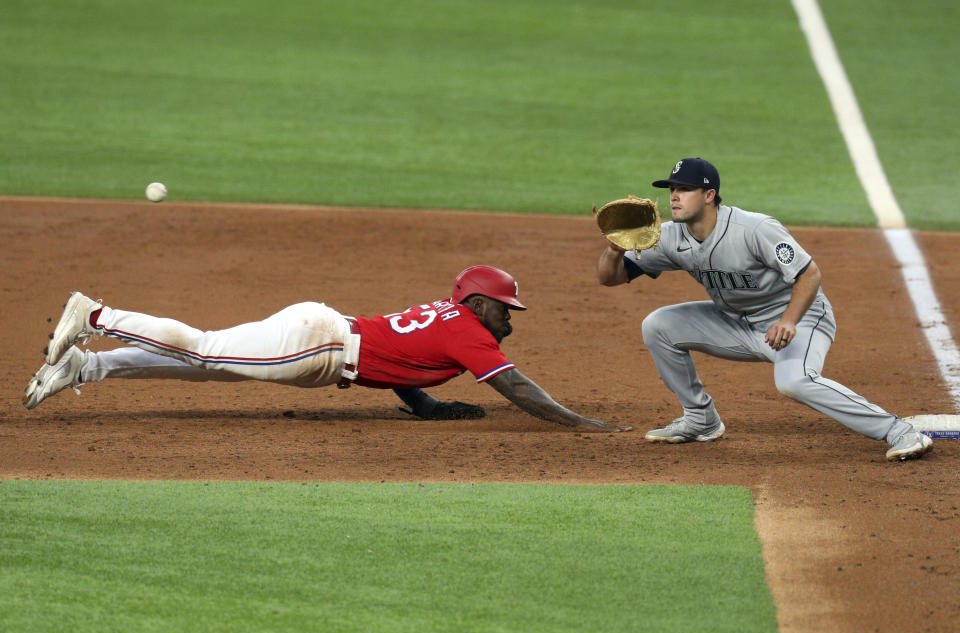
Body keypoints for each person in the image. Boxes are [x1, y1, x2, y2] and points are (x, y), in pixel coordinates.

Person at [596, 157, 932, 461]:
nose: (674, 196)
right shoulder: (670, 237)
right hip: (737, 323)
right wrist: (613, 250)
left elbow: (808, 273)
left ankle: (899, 432)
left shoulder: (754, 229)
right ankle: (701, 420)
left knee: (795, 382)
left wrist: (788, 321)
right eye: (672, 189)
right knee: (659, 325)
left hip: (800, 319)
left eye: (685, 189)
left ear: (709, 195)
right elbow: (610, 279)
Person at [24, 266, 630, 433]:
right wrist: (580, 424)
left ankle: (88, 364)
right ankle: (97, 315)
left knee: (204, 367)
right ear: (477, 304)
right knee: (206, 351)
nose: (509, 321)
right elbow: (516, 387)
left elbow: (403, 360)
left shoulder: (448, 318)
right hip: (319, 346)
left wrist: (424, 406)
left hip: (323, 343)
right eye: (505, 309)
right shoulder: (469, 331)